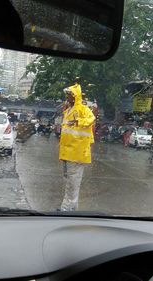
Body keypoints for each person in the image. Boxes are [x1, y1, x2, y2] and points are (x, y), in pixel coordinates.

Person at [58, 83, 95, 211]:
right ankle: (70, 207)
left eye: (69, 95)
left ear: (75, 96)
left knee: (73, 183)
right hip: (67, 152)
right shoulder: (68, 110)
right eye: (67, 95)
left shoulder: (82, 109)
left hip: (77, 152)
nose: (67, 97)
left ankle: (67, 209)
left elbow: (91, 119)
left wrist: (77, 121)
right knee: (69, 182)